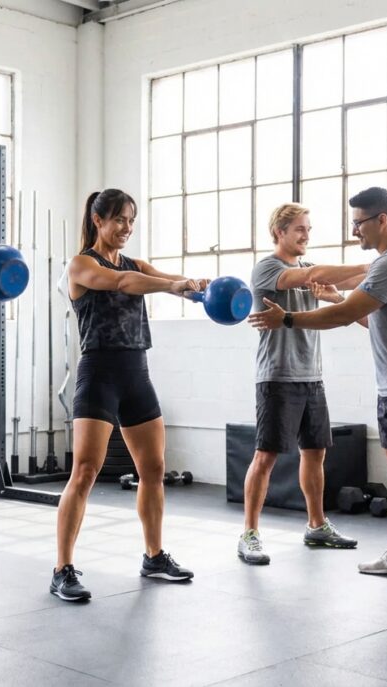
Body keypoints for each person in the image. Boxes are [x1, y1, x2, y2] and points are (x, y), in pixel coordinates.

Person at [248, 187, 387, 599]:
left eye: (358, 222)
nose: (353, 228)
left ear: (382, 221)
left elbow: (344, 316)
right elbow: (369, 319)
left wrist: (288, 317)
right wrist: (345, 293)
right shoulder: (384, 263)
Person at [50, 188, 205, 602]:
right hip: (99, 374)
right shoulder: (82, 264)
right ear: (98, 221)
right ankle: (62, 568)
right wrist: (172, 285)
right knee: (84, 471)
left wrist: (198, 287)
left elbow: (164, 281)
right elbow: (122, 282)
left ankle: (154, 556)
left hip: (137, 374)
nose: (126, 228)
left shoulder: (136, 264)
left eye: (132, 220)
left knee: (153, 469)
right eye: (119, 219)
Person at [238, 203, 369, 565]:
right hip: (277, 375)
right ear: (279, 232)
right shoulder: (268, 267)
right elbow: (304, 278)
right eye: (299, 229)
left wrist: (375, 274)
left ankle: (316, 525)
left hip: (312, 376)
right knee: (265, 456)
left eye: (308, 228)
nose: (306, 235)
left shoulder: (311, 270)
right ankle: (249, 533)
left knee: (316, 453)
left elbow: (343, 282)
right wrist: (365, 266)